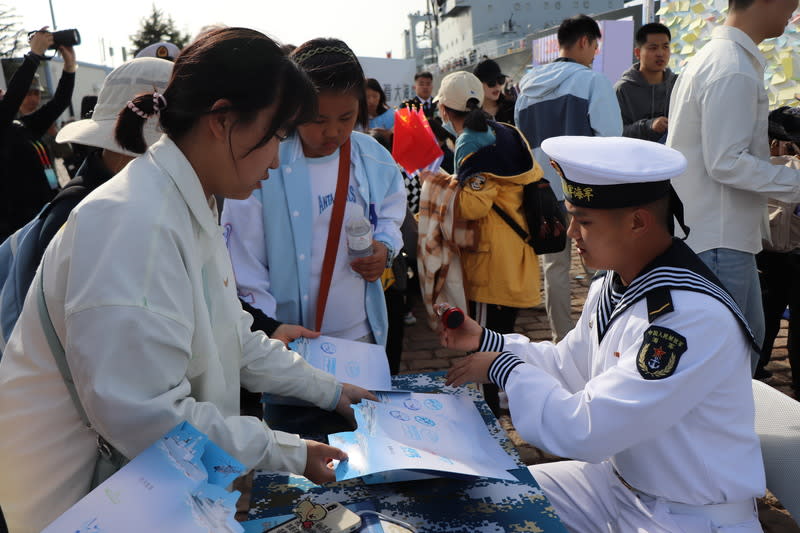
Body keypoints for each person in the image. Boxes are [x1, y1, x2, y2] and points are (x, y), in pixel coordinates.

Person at [0, 28, 375, 533]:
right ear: (223, 121)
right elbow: (147, 417)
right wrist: (286, 449)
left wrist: (330, 390)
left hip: (153, 492)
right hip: (85, 502)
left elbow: (233, 335)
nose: (279, 157)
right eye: (276, 135)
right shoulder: (134, 223)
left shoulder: (186, 200)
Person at [442, 135, 765, 533]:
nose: (570, 232)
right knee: (474, 497)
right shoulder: (614, 284)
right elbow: (568, 367)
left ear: (636, 222)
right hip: (616, 486)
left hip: (687, 514)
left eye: (585, 221)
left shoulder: (689, 318)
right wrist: (489, 343)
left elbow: (586, 430)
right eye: (571, 216)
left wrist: (506, 369)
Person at [221, 38, 406, 359]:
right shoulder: (264, 163)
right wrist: (270, 331)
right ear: (292, 109)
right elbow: (243, 262)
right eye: (318, 120)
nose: (333, 132)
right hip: (290, 342)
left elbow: (392, 211)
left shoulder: (372, 156)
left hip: (361, 330)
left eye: (346, 117)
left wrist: (385, 247)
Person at [667, 0, 800, 372]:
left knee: (737, 350)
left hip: (714, 233)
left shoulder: (717, 58)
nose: (793, 9)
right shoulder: (733, 68)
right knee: (731, 359)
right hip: (719, 239)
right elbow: (727, 162)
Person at [438, 70, 543, 413]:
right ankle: (497, 406)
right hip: (517, 253)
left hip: (489, 263)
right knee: (503, 339)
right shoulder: (508, 131)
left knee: (481, 345)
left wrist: (446, 184)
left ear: (444, 111)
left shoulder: (471, 141)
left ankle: (489, 417)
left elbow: (473, 205)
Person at [515, 14, 623, 343]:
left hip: (543, 194)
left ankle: (561, 340)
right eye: (595, 47)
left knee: (554, 270)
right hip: (587, 192)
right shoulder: (593, 82)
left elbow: (522, 146)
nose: (594, 55)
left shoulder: (527, 89)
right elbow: (611, 140)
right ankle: (601, 338)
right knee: (602, 268)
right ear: (583, 42)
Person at [0, 28, 76, 241]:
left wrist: (70, 67)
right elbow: (12, 100)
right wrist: (34, 56)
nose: (2, 93)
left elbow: (59, 103)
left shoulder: (19, 127)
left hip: (43, 217)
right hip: (15, 232)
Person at [615, 22, 677, 143]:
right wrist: (649, 126)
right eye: (653, 48)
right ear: (638, 53)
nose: (660, 53)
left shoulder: (678, 84)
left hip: (671, 158)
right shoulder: (622, 89)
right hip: (634, 158)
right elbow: (614, 132)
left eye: (665, 47)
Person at [473, 58, 515, 124]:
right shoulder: (471, 116)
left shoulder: (512, 107)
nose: (497, 86)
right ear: (477, 84)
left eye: (501, 80)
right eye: (491, 82)